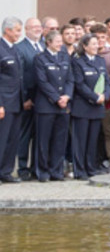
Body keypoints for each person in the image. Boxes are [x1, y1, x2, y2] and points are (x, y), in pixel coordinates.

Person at [34, 30, 73, 182]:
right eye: (57, 41)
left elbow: (70, 80)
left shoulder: (65, 57)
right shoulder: (40, 58)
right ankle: (43, 171)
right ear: (48, 42)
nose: (60, 44)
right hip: (46, 106)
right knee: (44, 140)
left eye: (60, 41)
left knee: (60, 139)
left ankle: (56, 171)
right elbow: (42, 82)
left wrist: (66, 96)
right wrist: (57, 98)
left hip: (63, 106)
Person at [71, 34, 110, 179]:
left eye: (97, 43)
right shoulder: (77, 62)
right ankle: (80, 170)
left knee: (93, 140)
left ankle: (90, 168)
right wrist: (95, 97)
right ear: (85, 46)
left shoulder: (100, 61)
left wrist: (105, 95)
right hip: (83, 106)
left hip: (98, 107)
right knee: (81, 141)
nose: (96, 46)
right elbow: (79, 84)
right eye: (93, 44)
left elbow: (107, 81)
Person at [14, 17, 42, 180]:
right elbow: (20, 76)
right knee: (25, 135)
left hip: (42, 100)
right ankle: (23, 168)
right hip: (27, 100)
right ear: (26, 29)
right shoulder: (20, 48)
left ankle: (35, 167)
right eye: (33, 27)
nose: (37, 29)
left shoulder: (44, 45)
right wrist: (24, 98)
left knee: (39, 135)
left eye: (39, 27)